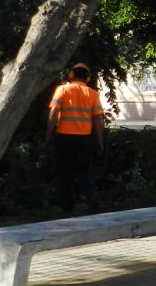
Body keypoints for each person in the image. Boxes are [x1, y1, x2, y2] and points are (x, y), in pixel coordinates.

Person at [48, 62, 105, 215]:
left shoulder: (62, 90)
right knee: (85, 172)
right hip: (84, 140)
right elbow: (98, 120)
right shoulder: (93, 94)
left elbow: (53, 113)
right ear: (87, 78)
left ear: (71, 75)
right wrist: (100, 140)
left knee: (65, 173)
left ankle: (66, 208)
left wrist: (48, 133)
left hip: (64, 138)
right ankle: (93, 204)